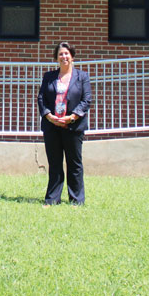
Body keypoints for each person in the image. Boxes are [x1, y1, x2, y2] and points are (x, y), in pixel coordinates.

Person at [37, 41, 93, 205]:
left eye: (66, 54)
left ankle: (76, 200)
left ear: (72, 56)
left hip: (73, 126)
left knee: (74, 163)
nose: (64, 57)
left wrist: (73, 117)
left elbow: (86, 100)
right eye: (60, 54)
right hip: (52, 125)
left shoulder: (82, 77)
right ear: (56, 58)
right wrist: (48, 116)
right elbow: (42, 98)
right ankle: (52, 199)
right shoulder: (49, 77)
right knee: (54, 163)